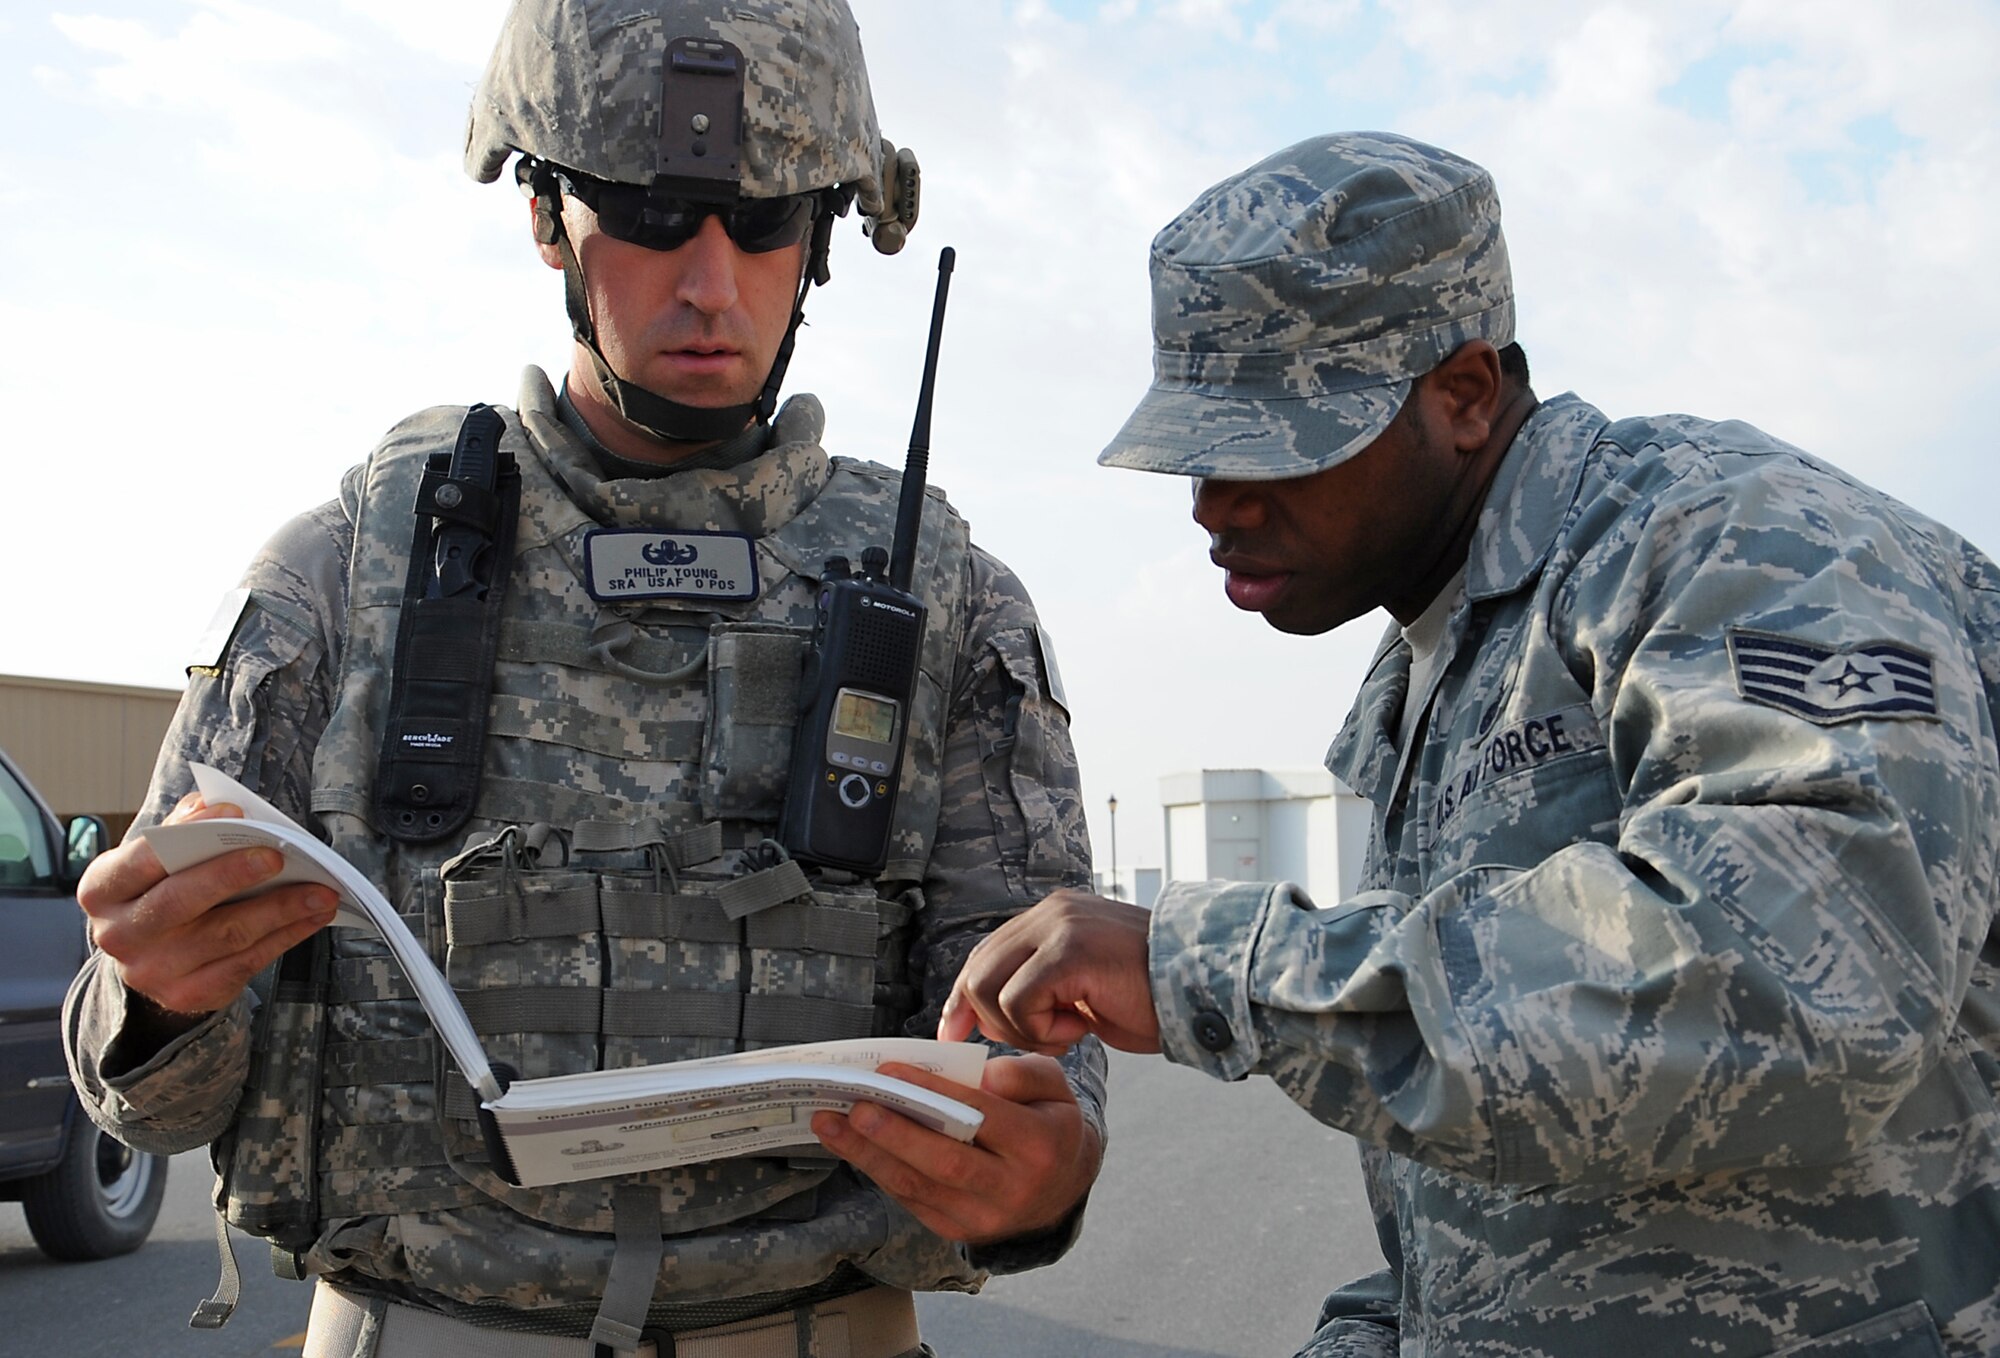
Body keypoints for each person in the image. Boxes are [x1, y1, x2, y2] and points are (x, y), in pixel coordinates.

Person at [61, 3, 1105, 1355]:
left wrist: (1040, 1169)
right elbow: (149, 1100)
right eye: (653, 216)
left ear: (824, 240)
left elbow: (1033, 1047)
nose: (711, 285)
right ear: (547, 217)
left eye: (765, 222)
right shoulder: (348, 570)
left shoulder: (952, 603)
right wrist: (159, 996)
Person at [940, 132, 2000, 1356]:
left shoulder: (1739, 542)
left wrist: (1212, 962)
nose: (1213, 503)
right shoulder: (1423, 673)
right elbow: (1483, 1203)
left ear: (1463, 392)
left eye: (1279, 441)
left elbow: (1812, 984)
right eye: (1197, 452)